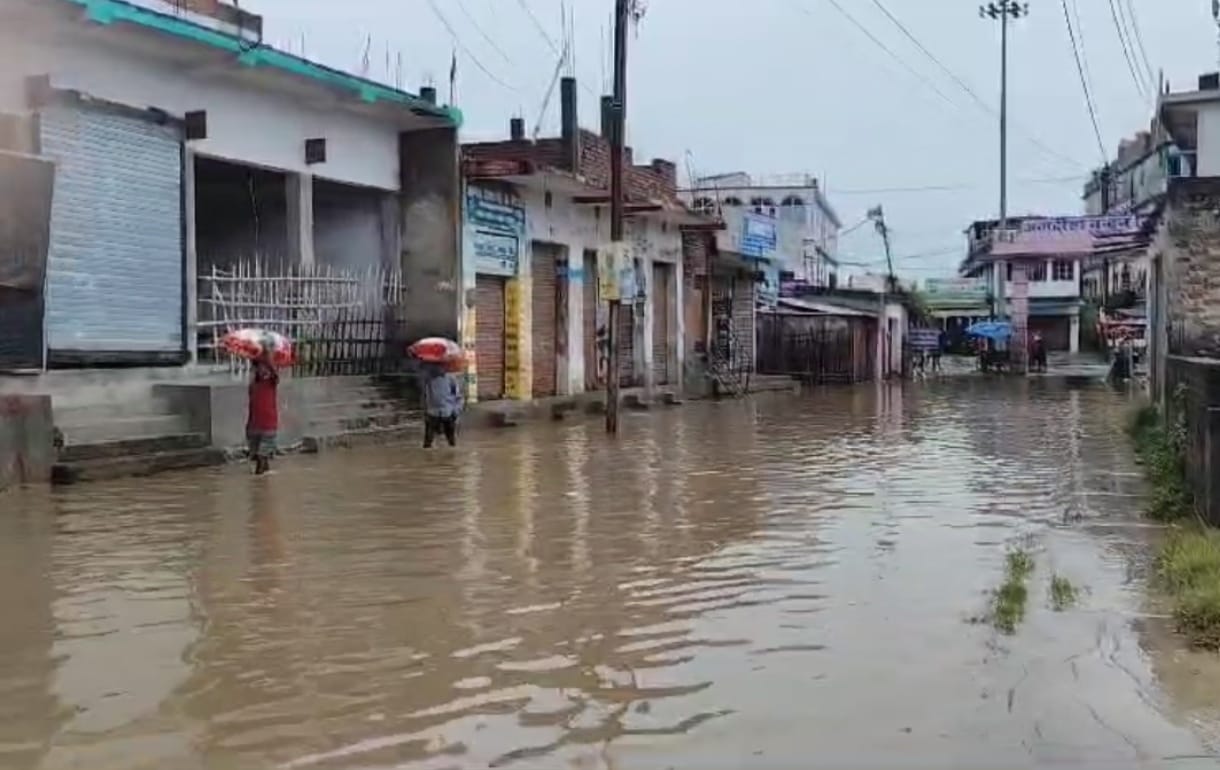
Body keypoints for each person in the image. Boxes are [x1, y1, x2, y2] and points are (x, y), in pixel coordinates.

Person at [247, 352, 279, 475]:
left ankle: (258, 483)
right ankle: (265, 480)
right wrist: (248, 425)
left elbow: (275, 375)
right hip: (254, 426)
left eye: (263, 367)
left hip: (268, 425)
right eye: (258, 367)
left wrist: (267, 357)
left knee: (261, 455)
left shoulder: (271, 382)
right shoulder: (253, 385)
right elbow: (251, 406)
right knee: (257, 456)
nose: (261, 369)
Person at [422, 363, 464, 448]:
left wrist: (456, 411)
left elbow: (458, 396)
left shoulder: (451, 378)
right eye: (437, 366)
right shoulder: (429, 379)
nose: (439, 368)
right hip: (432, 413)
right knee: (428, 442)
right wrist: (425, 411)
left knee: (451, 441)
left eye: (441, 366)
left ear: (445, 367)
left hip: (447, 412)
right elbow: (425, 395)